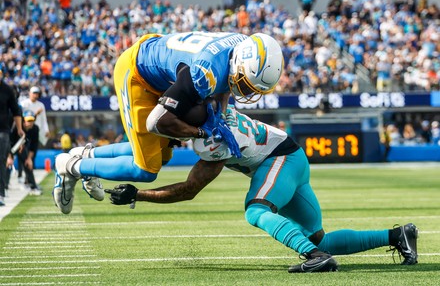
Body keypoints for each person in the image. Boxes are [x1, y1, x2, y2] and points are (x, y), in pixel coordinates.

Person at [105, 104, 418, 273]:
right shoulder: (215, 105)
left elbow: (188, 190)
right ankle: (397, 235)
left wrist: (139, 194)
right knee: (319, 237)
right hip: (290, 157)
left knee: (256, 210)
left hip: (280, 159)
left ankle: (313, 256)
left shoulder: (212, 142)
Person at [52, 31, 284, 214]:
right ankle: (70, 166)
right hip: (138, 73)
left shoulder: (241, 47)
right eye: (244, 84)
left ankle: (86, 155)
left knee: (163, 153)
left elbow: (224, 84)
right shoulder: (206, 73)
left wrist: (220, 117)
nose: (244, 91)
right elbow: (157, 122)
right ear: (239, 64)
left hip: (162, 68)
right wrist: (198, 133)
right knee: (144, 169)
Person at [0, 70, 25, 206]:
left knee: (1, 160)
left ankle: (0, 193)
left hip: (2, 130)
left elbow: (16, 111)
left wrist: (20, 128)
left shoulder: (7, 90)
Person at [10, 110, 42, 195]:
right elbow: (10, 141)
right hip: (11, 146)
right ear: (24, 120)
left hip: (23, 146)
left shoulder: (35, 129)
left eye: (32, 120)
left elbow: (34, 146)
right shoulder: (15, 126)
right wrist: (10, 156)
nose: (30, 123)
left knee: (28, 164)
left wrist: (29, 159)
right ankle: (4, 187)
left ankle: (32, 185)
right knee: (6, 164)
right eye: (28, 120)